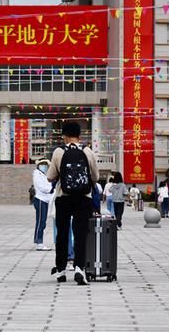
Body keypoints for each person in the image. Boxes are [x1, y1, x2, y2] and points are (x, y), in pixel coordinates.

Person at [47, 121, 99, 285]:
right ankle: (79, 269)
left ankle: (61, 271)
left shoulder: (58, 152)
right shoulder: (88, 151)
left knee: (62, 234)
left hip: (63, 197)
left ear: (64, 135)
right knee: (81, 234)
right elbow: (95, 177)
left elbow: (50, 176)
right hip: (84, 198)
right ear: (79, 135)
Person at [32, 159, 53, 251]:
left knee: (42, 222)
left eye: (46, 165)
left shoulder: (43, 174)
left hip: (45, 200)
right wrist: (51, 188)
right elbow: (42, 187)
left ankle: (39, 241)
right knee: (41, 221)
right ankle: (39, 242)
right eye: (43, 164)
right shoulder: (37, 174)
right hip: (40, 199)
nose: (45, 166)